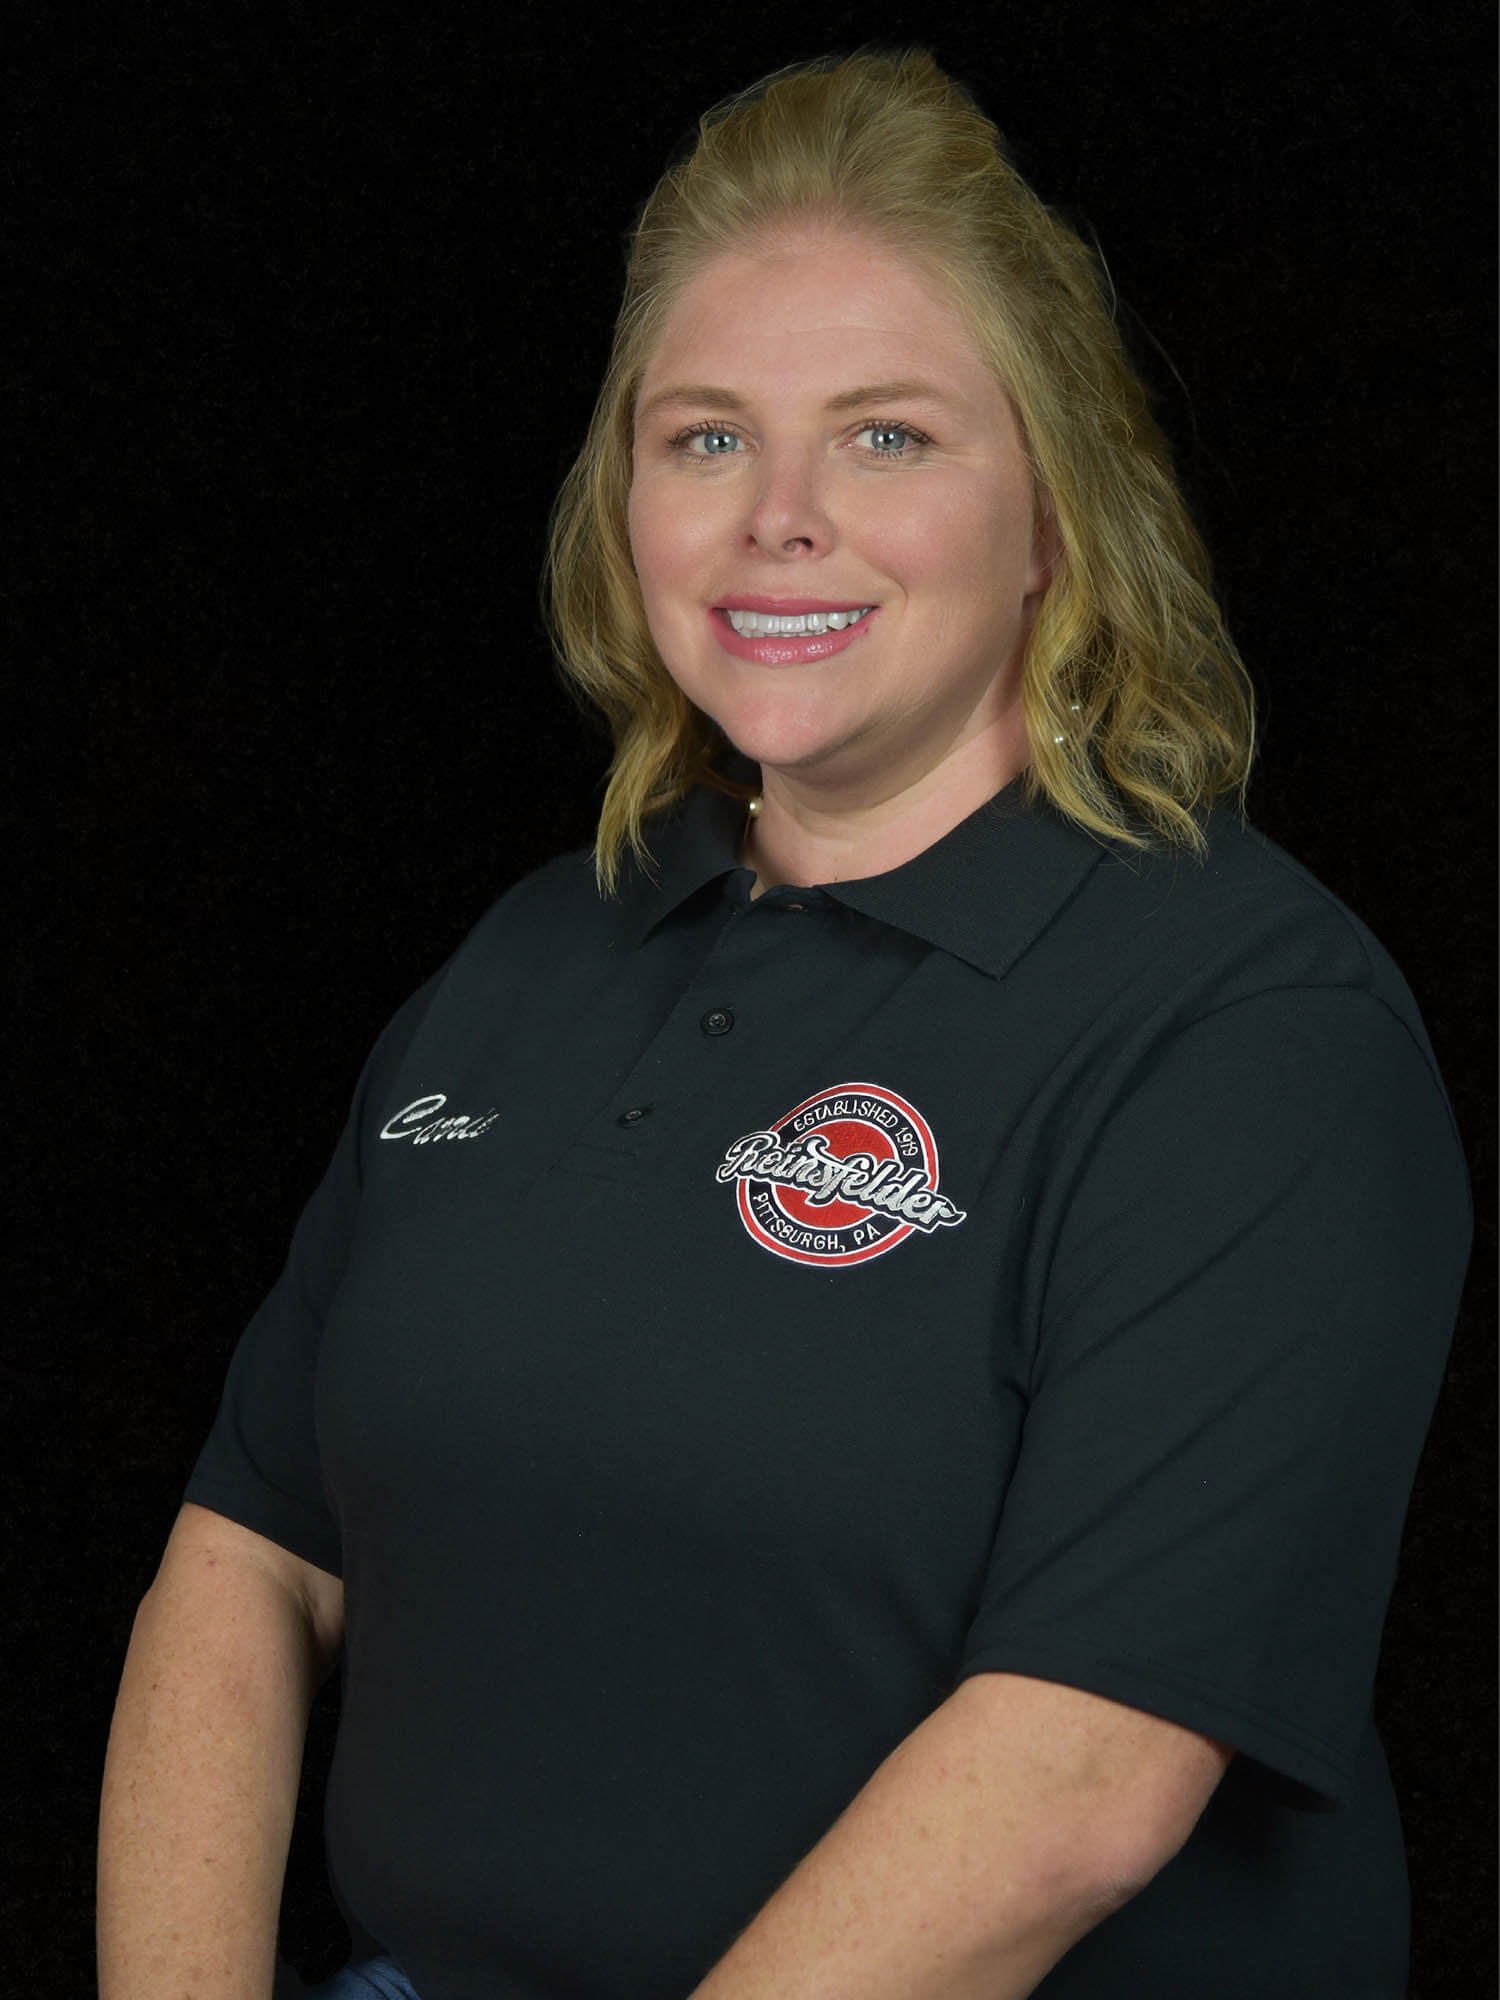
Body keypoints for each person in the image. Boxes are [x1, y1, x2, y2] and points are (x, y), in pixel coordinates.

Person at [97, 46, 1470, 2000]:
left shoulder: (1251, 1031)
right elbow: (249, 1553)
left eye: (888, 435)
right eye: (706, 438)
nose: (780, 518)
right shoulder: (528, 961)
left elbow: (1081, 1787)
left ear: (1054, 516)